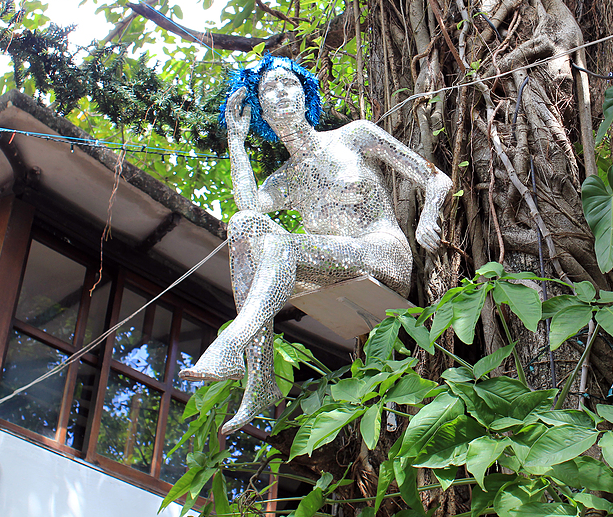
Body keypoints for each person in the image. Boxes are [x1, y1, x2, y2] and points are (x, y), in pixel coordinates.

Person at [180, 56, 452, 434]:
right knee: (244, 224)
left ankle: (232, 342)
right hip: (332, 269)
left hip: (382, 253)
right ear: (262, 114)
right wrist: (235, 141)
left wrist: (429, 215)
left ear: (305, 93)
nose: (279, 95)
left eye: (287, 84)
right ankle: (259, 378)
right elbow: (247, 213)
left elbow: (434, 179)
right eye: (267, 91)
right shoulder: (286, 179)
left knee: (285, 247)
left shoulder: (354, 135)